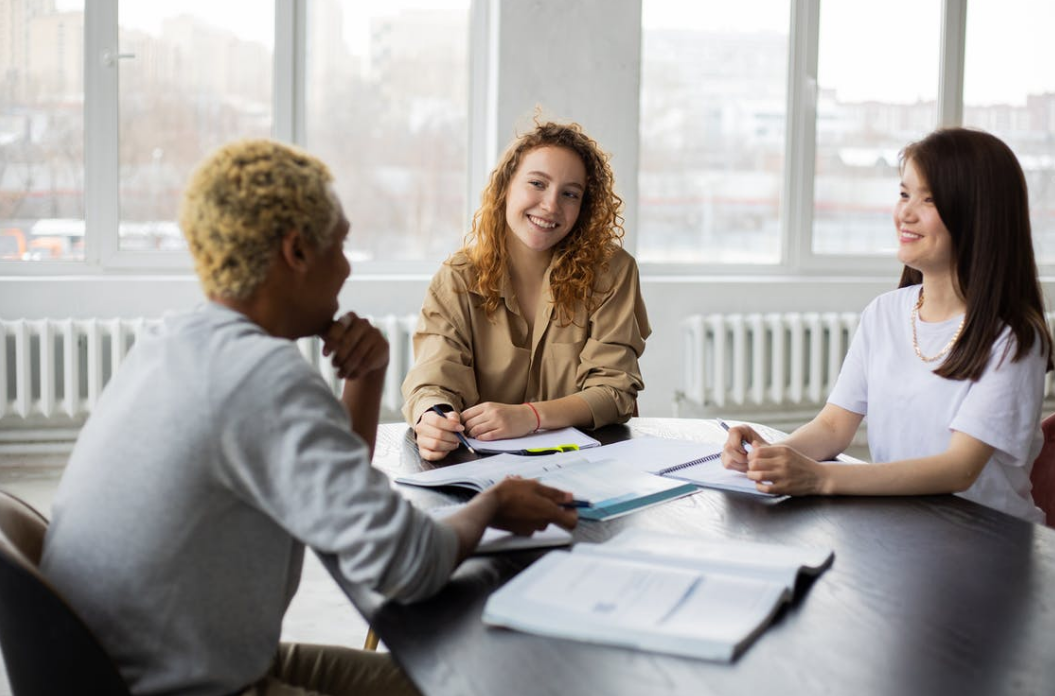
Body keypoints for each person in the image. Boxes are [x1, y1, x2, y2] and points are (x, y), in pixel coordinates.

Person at [40, 139, 577, 696]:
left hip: (139, 664)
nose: (345, 268)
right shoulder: (262, 378)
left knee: (444, 681)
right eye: (340, 245)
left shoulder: (172, 341)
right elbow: (408, 564)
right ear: (297, 252)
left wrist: (365, 379)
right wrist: (494, 503)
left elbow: (335, 490)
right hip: (185, 685)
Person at [721, 128, 1053, 523]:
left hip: (989, 544)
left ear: (979, 216)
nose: (905, 213)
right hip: (903, 528)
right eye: (903, 194)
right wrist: (771, 458)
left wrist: (822, 477)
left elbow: (959, 468)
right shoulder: (883, 313)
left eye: (928, 199)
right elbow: (832, 426)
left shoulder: (1014, 340)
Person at [403, 120, 651, 460]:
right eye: (537, 183)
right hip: (481, 469)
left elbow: (614, 390)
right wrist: (431, 418)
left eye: (570, 194)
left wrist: (531, 417)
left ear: (584, 207)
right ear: (506, 187)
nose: (551, 205)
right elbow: (434, 379)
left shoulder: (613, 271)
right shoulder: (458, 277)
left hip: (586, 465)